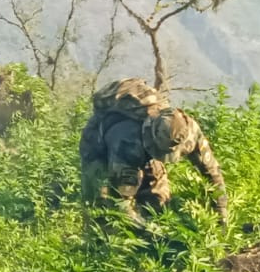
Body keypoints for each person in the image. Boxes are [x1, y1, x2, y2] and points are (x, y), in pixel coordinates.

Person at [80, 78, 228, 228]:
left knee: (158, 201)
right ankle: (98, 246)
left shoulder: (188, 131)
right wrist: (149, 231)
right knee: (103, 210)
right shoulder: (127, 141)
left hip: (143, 145)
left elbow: (212, 172)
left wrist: (221, 213)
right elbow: (120, 202)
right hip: (100, 151)